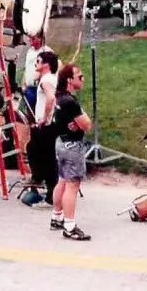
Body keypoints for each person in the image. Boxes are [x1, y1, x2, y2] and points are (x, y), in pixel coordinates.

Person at [50, 63, 93, 241]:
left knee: (62, 180)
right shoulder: (70, 102)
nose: (82, 79)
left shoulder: (60, 98)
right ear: (70, 80)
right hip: (72, 146)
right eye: (80, 77)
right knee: (72, 185)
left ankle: (57, 216)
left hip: (61, 142)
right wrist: (80, 120)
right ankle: (69, 226)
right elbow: (87, 124)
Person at [26, 50, 60, 209]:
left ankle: (48, 193)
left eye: (38, 61)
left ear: (46, 64)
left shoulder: (46, 80)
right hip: (49, 124)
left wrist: (44, 118)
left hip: (45, 125)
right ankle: (43, 184)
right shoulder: (50, 77)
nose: (36, 64)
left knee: (43, 157)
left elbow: (51, 98)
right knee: (36, 150)